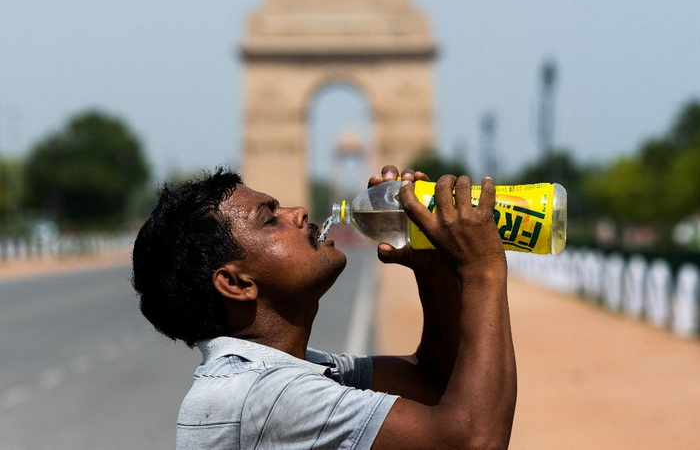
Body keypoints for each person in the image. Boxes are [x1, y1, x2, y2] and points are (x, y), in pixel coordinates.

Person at [131, 165, 517, 449]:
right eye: (269, 219)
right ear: (236, 283)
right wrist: (481, 270)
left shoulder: (279, 372)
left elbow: (433, 382)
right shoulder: (265, 396)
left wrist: (432, 271)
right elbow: (474, 441)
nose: (298, 212)